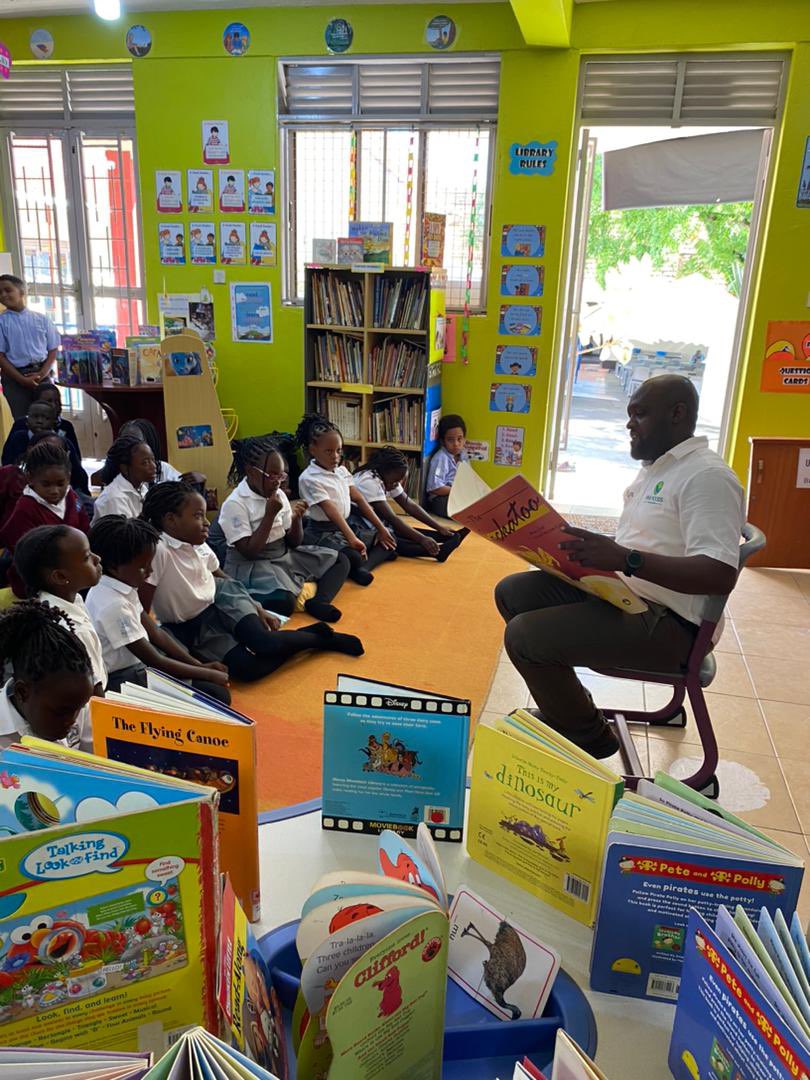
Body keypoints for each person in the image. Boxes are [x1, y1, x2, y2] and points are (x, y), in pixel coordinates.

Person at [494, 374, 745, 759]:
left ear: (677, 414)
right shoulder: (660, 466)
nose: (629, 424)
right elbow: (652, 540)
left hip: (674, 624)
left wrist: (626, 559)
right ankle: (570, 709)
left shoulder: (707, 477)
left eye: (640, 414)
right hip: (633, 594)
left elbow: (719, 573)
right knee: (514, 592)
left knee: (525, 637)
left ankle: (588, 736)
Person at [139, 482, 365, 684]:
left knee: (264, 642)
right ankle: (313, 638)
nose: (207, 522)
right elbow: (142, 609)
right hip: (192, 623)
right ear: (170, 520)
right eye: (198, 516)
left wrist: (258, 608)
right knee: (249, 669)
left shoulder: (196, 542)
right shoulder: (158, 551)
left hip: (224, 596)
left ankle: (325, 640)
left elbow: (221, 577)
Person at [87, 514, 231, 701]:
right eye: (143, 567)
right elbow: (154, 660)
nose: (150, 572)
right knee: (217, 696)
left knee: (202, 679)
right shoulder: (113, 605)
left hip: (140, 663)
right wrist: (205, 673)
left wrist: (200, 666)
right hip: (123, 677)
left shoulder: (121, 585)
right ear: (115, 567)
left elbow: (156, 634)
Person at [219, 435, 350, 621]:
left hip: (281, 554)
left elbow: (294, 542)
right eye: (271, 475)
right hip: (252, 564)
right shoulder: (235, 503)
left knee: (340, 560)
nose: (277, 482)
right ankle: (259, 596)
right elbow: (249, 551)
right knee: (285, 602)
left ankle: (319, 601)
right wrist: (269, 516)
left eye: (281, 476)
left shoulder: (278, 493)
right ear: (251, 471)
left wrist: (296, 520)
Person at [296, 414, 396, 586]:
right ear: (313, 449)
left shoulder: (341, 471)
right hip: (323, 532)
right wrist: (351, 539)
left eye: (338, 450)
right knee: (352, 556)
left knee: (388, 538)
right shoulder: (309, 478)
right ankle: (359, 566)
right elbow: (331, 512)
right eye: (329, 451)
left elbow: (358, 498)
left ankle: (363, 568)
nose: (335, 456)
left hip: (345, 526)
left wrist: (380, 527)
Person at [13, 525, 106, 697]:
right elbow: (96, 696)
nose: (97, 558)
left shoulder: (63, 600)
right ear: (61, 577)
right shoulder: (74, 631)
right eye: (86, 557)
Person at [0, 600, 95, 751]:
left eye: (79, 708)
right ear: (22, 693)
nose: (72, 721)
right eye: (60, 712)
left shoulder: (73, 703)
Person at [353, 446, 468, 562]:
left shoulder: (387, 477)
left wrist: (439, 527)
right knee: (392, 535)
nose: (398, 485)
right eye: (396, 481)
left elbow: (409, 505)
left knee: (397, 530)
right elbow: (392, 518)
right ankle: (436, 551)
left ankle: (446, 536)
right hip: (357, 525)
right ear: (385, 471)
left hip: (371, 522)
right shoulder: (368, 482)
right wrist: (422, 539)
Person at [0, 441, 90, 568]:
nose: (54, 491)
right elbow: (25, 553)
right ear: (30, 478)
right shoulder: (26, 508)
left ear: (68, 478)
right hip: (38, 577)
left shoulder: (72, 497)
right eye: (46, 484)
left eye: (60, 484)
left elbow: (85, 528)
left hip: (73, 568)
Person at [2, 398, 90, 497]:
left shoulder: (62, 442)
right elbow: (7, 461)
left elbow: (78, 472)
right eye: (35, 417)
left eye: (45, 418)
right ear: (26, 421)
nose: (39, 421)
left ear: (54, 422)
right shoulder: (18, 438)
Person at [0, 274, 60, 420]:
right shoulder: (2, 322)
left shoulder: (42, 319)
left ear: (21, 292)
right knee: (24, 420)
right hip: (15, 379)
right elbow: (0, 356)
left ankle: (50, 443)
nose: (3, 295)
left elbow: (53, 349)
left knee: (49, 418)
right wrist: (21, 379)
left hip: (42, 374)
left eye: (8, 290)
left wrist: (42, 374)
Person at [5, 382, 82, 458]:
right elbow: (7, 457)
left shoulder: (66, 426)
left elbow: (76, 457)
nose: (54, 405)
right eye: (48, 401)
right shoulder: (21, 425)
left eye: (57, 401)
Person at [92, 433, 157, 521]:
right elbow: (127, 533)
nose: (153, 466)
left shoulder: (141, 487)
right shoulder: (114, 498)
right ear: (125, 468)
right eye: (145, 463)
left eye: (152, 460)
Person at [424, 414, 468, 518]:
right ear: (442, 442)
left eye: (459, 439)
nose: (456, 444)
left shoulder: (463, 454)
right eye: (450, 440)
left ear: (464, 439)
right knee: (464, 512)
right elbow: (434, 488)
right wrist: (457, 491)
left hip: (456, 495)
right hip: (440, 498)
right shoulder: (441, 458)